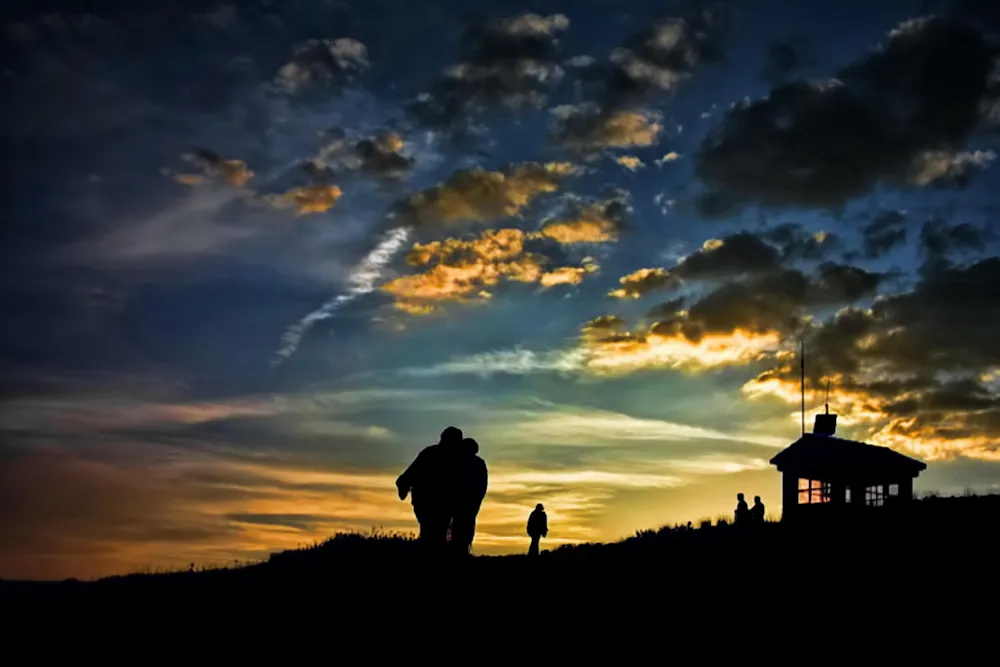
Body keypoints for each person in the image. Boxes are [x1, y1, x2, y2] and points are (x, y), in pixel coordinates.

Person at [396, 426, 463, 548]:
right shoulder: (450, 456)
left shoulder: (433, 453)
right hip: (430, 503)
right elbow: (408, 475)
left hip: (437, 504)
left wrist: (404, 487)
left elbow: (407, 476)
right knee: (433, 534)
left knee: (434, 535)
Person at [449, 437, 489, 556]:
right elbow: (483, 485)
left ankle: (458, 552)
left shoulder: (457, 461)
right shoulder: (479, 463)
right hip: (470, 503)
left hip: (461, 502)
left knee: (457, 528)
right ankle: (462, 551)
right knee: (465, 527)